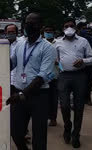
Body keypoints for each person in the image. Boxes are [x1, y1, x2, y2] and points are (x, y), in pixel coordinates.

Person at [7, 13, 56, 150]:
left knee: (39, 136)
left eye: (32, 23)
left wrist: (22, 95)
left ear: (40, 27)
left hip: (39, 96)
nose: (28, 26)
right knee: (15, 133)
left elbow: (42, 77)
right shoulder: (19, 44)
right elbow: (11, 64)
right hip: (18, 95)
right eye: (27, 22)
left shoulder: (48, 48)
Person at [55, 18, 92, 148]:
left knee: (79, 107)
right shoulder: (57, 42)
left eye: (71, 26)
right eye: (66, 26)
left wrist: (83, 61)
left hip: (79, 76)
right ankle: (68, 127)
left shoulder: (83, 41)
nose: (69, 28)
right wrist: (56, 63)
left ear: (76, 28)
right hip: (64, 76)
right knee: (65, 105)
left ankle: (76, 134)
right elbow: (53, 59)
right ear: (63, 29)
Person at [77, 22, 92, 106]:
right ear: (78, 29)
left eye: (86, 29)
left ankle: (87, 99)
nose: (85, 30)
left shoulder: (89, 39)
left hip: (88, 65)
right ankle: (79, 100)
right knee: (78, 84)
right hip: (78, 65)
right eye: (83, 29)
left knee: (88, 83)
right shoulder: (75, 39)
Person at [43, 25, 59, 127]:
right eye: (46, 31)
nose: (48, 32)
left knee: (53, 98)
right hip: (42, 76)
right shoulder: (41, 43)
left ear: (54, 32)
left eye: (50, 30)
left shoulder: (58, 43)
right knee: (43, 99)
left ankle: (53, 118)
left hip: (54, 75)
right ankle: (44, 117)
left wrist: (59, 62)